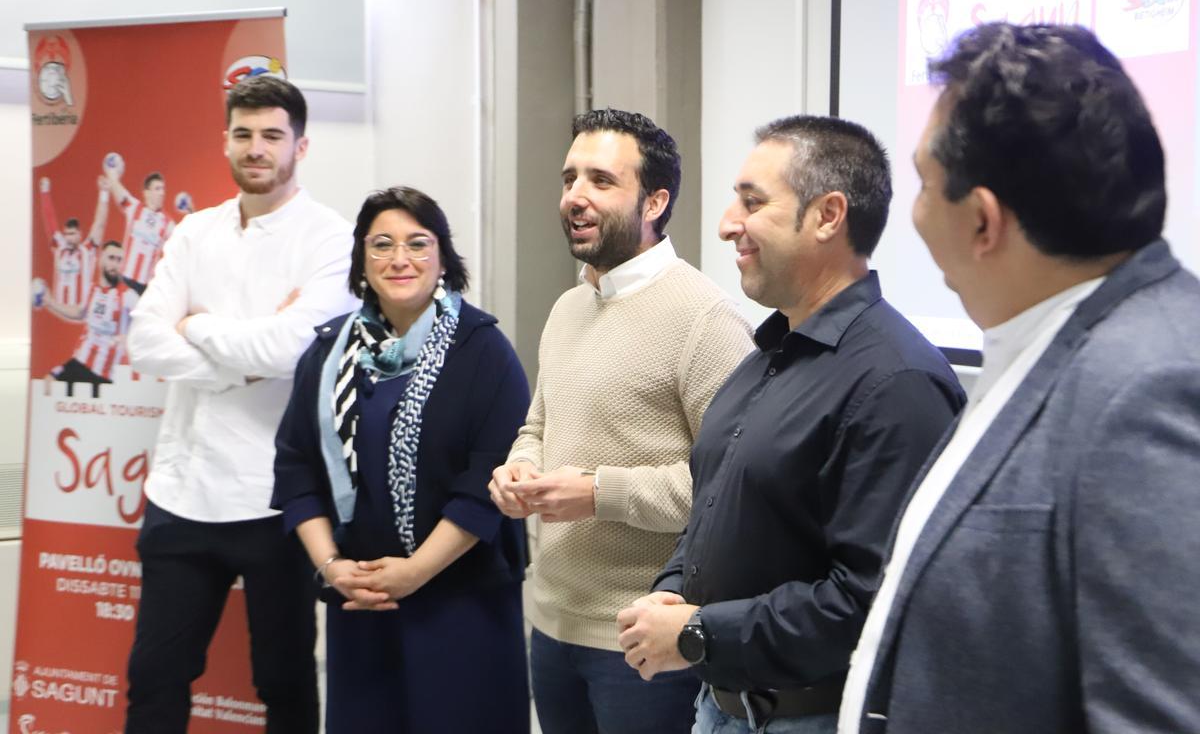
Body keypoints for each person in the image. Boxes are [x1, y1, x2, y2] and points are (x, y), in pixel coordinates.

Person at [838, 23, 1200, 733]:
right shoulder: (1056, 342)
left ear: (982, 222)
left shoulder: (1149, 387)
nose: (911, 211)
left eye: (922, 184)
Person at [616, 116, 965, 734]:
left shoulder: (898, 383)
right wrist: (673, 590)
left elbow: (868, 601)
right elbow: (715, 506)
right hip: (720, 707)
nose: (728, 223)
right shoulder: (768, 354)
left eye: (752, 202)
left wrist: (698, 633)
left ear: (828, 215)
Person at [489, 108, 753, 734]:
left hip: (644, 641)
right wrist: (520, 466)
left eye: (601, 181)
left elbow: (729, 493)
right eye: (569, 178)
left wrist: (600, 493)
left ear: (656, 201)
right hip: (552, 623)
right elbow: (539, 427)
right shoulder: (568, 307)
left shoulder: (705, 319)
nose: (575, 197)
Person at [124, 76, 357, 733]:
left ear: (300, 146)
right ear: (225, 140)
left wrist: (195, 327)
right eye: (244, 134)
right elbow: (143, 340)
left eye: (272, 136)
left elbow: (289, 350)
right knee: (154, 677)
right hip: (181, 491)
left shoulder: (331, 239)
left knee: (282, 680)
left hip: (275, 500)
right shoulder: (195, 231)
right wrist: (242, 367)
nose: (257, 148)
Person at [272, 186, 531, 734]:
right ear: (361, 259)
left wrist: (415, 572)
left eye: (418, 243)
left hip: (463, 605)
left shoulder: (483, 350)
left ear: (443, 257)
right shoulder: (328, 353)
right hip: (361, 603)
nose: (400, 259)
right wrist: (332, 568)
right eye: (382, 244)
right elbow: (296, 470)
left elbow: (488, 480)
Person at [40, 239, 136, 395]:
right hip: (80, 363)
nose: (115, 265)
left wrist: (130, 337)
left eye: (119, 260)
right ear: (100, 259)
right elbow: (78, 313)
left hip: (105, 376)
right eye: (111, 258)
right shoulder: (92, 290)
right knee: (48, 384)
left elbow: (148, 320)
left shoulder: (128, 296)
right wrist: (50, 303)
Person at [37, 175, 110, 306]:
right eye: (66, 234)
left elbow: (100, 222)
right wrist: (45, 192)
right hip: (60, 316)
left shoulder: (88, 250)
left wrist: (104, 193)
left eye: (72, 234)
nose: (68, 238)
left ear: (80, 235)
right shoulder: (60, 248)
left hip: (80, 316)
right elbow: (49, 220)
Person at [109, 169, 174, 294]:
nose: (162, 193)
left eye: (163, 189)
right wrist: (112, 174)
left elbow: (183, 238)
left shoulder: (167, 222)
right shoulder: (135, 208)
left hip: (144, 287)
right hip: (124, 280)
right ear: (146, 193)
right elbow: (119, 191)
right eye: (157, 189)